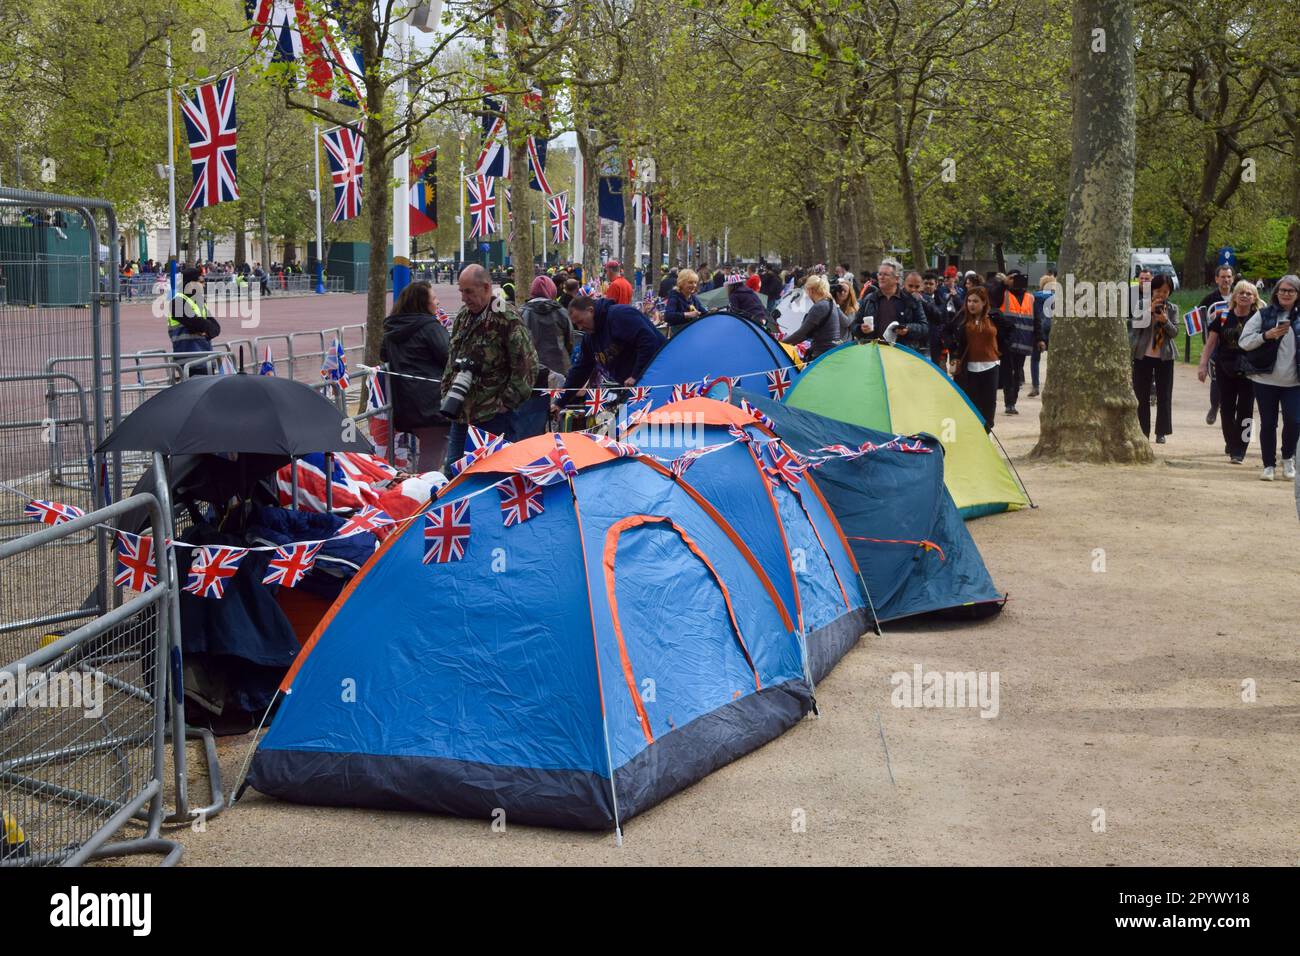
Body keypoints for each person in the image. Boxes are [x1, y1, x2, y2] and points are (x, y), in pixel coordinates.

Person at [441, 264, 539, 469]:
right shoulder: (463, 316)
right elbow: (453, 359)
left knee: (492, 473)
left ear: (486, 288)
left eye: (469, 291)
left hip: (493, 416)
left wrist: (505, 403)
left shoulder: (505, 317)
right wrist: (446, 392)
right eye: (461, 291)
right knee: (453, 470)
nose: (464, 298)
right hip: (461, 412)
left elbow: (527, 365)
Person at [381, 281, 451, 471]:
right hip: (433, 404)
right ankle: (428, 495)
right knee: (433, 454)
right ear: (422, 303)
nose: (437, 302)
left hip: (404, 402)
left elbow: (384, 355)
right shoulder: (430, 327)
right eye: (434, 298)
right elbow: (449, 358)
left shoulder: (391, 331)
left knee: (430, 451)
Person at [1239, 275, 1300, 480]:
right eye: (1282, 290)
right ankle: (1268, 465)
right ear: (1276, 292)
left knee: (1293, 420)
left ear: (1297, 294)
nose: (1286, 294)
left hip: (1294, 381)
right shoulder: (1263, 315)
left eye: (1291, 291)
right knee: (1268, 423)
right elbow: (1244, 342)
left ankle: (1288, 458)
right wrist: (1267, 335)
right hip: (1265, 378)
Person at [557, 295, 665, 411]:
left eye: (581, 321)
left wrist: (636, 375)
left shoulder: (620, 315)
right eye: (576, 325)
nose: (580, 327)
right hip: (634, 388)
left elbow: (648, 341)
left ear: (590, 310)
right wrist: (560, 403)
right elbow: (581, 369)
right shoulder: (589, 338)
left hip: (658, 377)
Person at [1198, 280, 1260, 464]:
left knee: (1246, 409)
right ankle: (1231, 441)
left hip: (1250, 369)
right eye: (1241, 292)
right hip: (1225, 367)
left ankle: (1240, 450)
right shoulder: (1223, 317)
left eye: (1249, 293)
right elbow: (1210, 343)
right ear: (1234, 296)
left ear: (1255, 298)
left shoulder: (1259, 318)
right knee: (1226, 407)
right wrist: (1202, 365)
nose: (1244, 296)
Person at [515, 275, 574, 438]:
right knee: (557, 419)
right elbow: (570, 341)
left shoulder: (521, 312)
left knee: (531, 422)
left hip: (532, 375)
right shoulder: (561, 311)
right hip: (559, 371)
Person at [1128, 273, 1179, 444]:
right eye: (1158, 290)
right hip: (1143, 355)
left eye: (1165, 291)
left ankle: (1161, 431)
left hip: (1164, 357)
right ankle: (1143, 431)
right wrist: (1148, 311)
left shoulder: (1172, 309)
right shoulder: (1142, 304)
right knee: (1141, 395)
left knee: (1164, 394)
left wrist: (1165, 321)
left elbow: (1175, 333)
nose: (1161, 294)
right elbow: (1135, 326)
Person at [951, 286, 1001, 431]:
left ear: (984, 302)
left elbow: (1008, 332)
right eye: (969, 301)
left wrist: (1000, 350)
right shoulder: (961, 318)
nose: (971, 304)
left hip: (991, 366)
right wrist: (954, 349)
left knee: (989, 403)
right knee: (970, 403)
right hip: (969, 368)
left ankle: (987, 432)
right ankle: (971, 433)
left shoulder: (995, 317)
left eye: (976, 301)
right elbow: (946, 331)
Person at [854, 257, 928, 348]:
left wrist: (908, 329)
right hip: (874, 351)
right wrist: (861, 329)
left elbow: (924, 327)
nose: (881, 277)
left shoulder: (911, 300)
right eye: (880, 274)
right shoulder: (869, 299)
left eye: (886, 274)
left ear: (896, 279)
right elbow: (854, 325)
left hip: (901, 353)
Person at [996, 271, 1040, 414]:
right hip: (1006, 343)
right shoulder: (1002, 295)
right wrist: (1002, 283)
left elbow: (1037, 320)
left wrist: (1040, 339)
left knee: (1017, 374)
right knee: (1008, 373)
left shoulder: (1030, 298)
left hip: (1023, 343)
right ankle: (1010, 403)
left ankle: (1012, 401)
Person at [1199, 264, 1237, 425]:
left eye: (1228, 277)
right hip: (1216, 346)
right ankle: (1214, 406)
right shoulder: (1209, 300)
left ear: (1233, 279)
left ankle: (1233, 410)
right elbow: (1199, 321)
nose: (1226, 280)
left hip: (1237, 345)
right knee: (1216, 378)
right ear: (1216, 279)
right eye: (1222, 277)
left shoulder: (1240, 296)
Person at [782, 274, 840, 360]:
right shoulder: (829, 303)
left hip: (822, 353)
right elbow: (806, 334)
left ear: (811, 290)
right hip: (831, 351)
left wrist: (780, 344)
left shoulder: (820, 307)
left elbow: (802, 333)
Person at [168, 265, 218, 360]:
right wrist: (204, 328)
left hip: (206, 357)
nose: (204, 285)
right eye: (201, 282)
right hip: (188, 358)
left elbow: (216, 327)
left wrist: (206, 330)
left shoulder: (200, 301)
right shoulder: (177, 302)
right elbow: (196, 324)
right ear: (191, 284)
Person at [1029, 274, 1054, 396]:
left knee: (1035, 359)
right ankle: (1052, 385)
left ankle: (1035, 386)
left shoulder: (1035, 297)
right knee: (1053, 359)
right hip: (1053, 328)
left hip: (1038, 328)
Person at [663, 269, 706, 337]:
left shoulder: (693, 298)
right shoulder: (674, 297)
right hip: (678, 336)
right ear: (681, 283)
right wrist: (688, 314)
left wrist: (712, 312)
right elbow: (668, 316)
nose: (694, 285)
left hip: (691, 334)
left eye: (695, 282)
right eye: (690, 282)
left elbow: (703, 312)